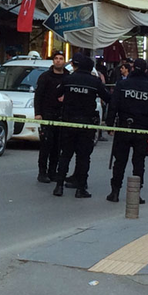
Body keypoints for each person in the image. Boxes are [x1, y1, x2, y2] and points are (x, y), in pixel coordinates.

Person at [53, 53, 110, 199]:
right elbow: (108, 98)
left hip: (68, 122)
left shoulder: (68, 79)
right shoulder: (95, 82)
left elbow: (57, 93)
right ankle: (80, 188)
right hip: (86, 124)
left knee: (65, 154)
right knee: (83, 157)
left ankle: (59, 186)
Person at [105, 58, 148, 204]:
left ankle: (115, 192)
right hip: (141, 130)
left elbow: (113, 105)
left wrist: (110, 124)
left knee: (120, 161)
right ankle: (136, 194)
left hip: (123, 127)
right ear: (146, 70)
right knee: (139, 162)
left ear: (132, 68)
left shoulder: (122, 84)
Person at [34, 50, 69, 184]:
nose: (58, 61)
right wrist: (38, 113)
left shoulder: (67, 77)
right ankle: (42, 172)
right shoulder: (45, 77)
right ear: (53, 61)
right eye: (56, 58)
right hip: (47, 114)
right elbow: (38, 96)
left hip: (62, 115)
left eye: (61, 58)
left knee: (57, 145)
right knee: (46, 144)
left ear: (64, 61)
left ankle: (53, 172)